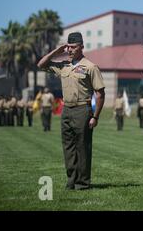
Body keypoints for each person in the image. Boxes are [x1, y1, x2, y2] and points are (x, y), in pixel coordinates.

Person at [37, 31, 105, 190]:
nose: (70, 50)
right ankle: (71, 180)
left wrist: (95, 117)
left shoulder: (90, 67)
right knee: (68, 147)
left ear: (82, 47)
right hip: (66, 110)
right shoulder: (64, 65)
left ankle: (82, 183)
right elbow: (41, 64)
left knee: (83, 147)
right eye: (68, 47)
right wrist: (57, 51)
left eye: (73, 47)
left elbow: (100, 94)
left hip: (82, 109)